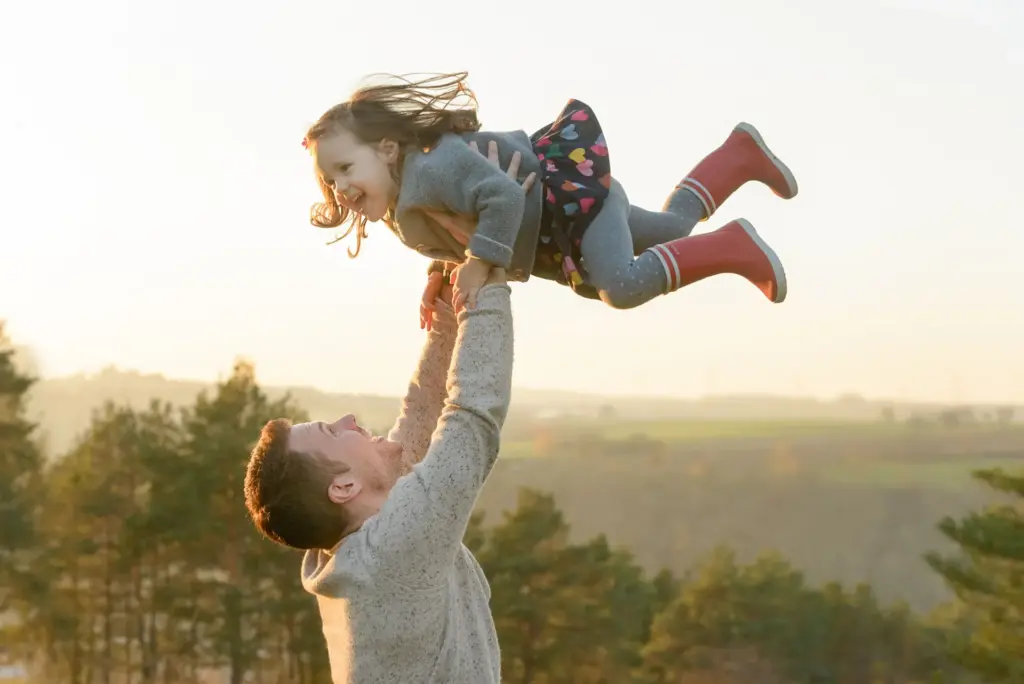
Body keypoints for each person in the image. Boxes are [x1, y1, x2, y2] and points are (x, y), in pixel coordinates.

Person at [243, 149, 527, 684]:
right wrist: (489, 271)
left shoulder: (364, 543)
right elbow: (471, 419)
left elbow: (423, 415)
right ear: (344, 486)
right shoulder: (391, 552)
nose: (349, 419)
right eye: (332, 431)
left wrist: (450, 285)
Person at [302, 71, 798, 315]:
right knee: (674, 229)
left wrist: (478, 260)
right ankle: (737, 156)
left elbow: (502, 197)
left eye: (346, 167)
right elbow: (459, 226)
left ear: (387, 149)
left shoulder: (433, 168)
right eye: (331, 179)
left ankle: (734, 246)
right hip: (570, 221)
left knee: (621, 287)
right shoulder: (399, 203)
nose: (341, 188)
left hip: (573, 206)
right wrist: (444, 270)